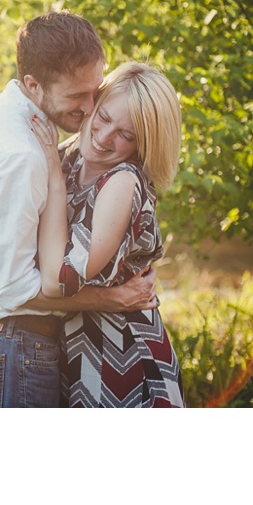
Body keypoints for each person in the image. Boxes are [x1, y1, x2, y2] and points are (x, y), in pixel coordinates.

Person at [0, 11, 159, 408]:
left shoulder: (0, 110)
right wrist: (111, 299)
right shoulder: (22, 156)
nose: (89, 107)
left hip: (7, 341)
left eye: (94, 90)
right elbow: (11, 287)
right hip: (15, 344)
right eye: (76, 96)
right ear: (33, 84)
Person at [30, 60, 185, 407]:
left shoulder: (121, 183)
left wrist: (54, 181)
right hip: (72, 350)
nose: (103, 138)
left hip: (121, 357)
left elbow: (59, 281)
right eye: (103, 118)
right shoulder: (67, 156)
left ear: (143, 144)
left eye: (125, 135)